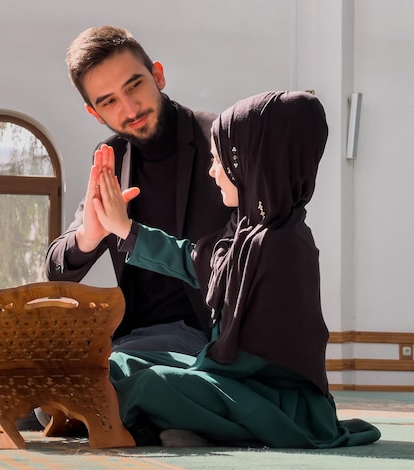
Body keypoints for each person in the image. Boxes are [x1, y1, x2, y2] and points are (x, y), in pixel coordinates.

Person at [92, 91, 381, 448]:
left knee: (154, 384)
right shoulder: (245, 230)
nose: (212, 171)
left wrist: (192, 373)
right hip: (229, 379)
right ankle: (160, 421)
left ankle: (111, 412)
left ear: (250, 162)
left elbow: (257, 360)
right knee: (122, 362)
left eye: (219, 161)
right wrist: (125, 229)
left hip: (273, 400)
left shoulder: (282, 246)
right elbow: (194, 259)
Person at [46, 26, 233, 355]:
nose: (130, 109)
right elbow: (55, 267)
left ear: (157, 75)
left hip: (215, 338)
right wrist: (88, 237)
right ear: (94, 112)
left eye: (135, 86)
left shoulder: (221, 140)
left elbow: (250, 257)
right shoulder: (110, 159)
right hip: (134, 338)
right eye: (109, 102)